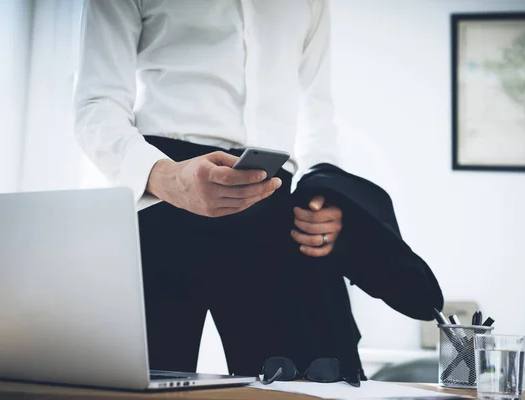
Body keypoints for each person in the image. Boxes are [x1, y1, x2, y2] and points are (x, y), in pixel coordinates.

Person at [74, 0, 345, 376]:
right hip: (162, 195)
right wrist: (162, 176)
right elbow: (96, 102)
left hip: (274, 204)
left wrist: (325, 193)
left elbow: (319, 108)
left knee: (292, 386)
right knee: (147, 381)